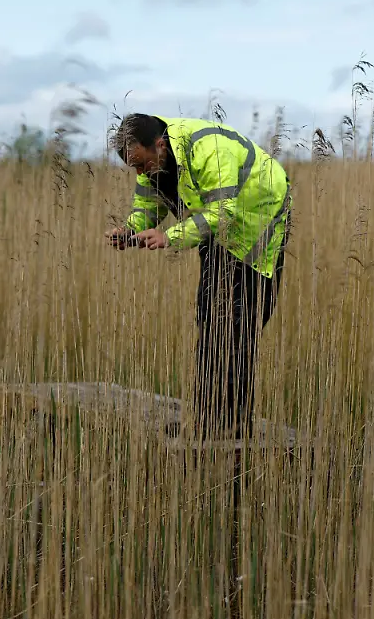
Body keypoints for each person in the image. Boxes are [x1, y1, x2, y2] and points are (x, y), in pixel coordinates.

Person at [106, 113, 292, 441]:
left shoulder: (208, 148)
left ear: (160, 146)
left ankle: (233, 430)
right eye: (133, 168)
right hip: (217, 233)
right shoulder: (153, 162)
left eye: (142, 164)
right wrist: (129, 230)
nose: (140, 173)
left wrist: (170, 237)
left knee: (238, 328)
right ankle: (206, 422)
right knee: (209, 320)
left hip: (258, 224)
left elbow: (225, 212)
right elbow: (147, 207)